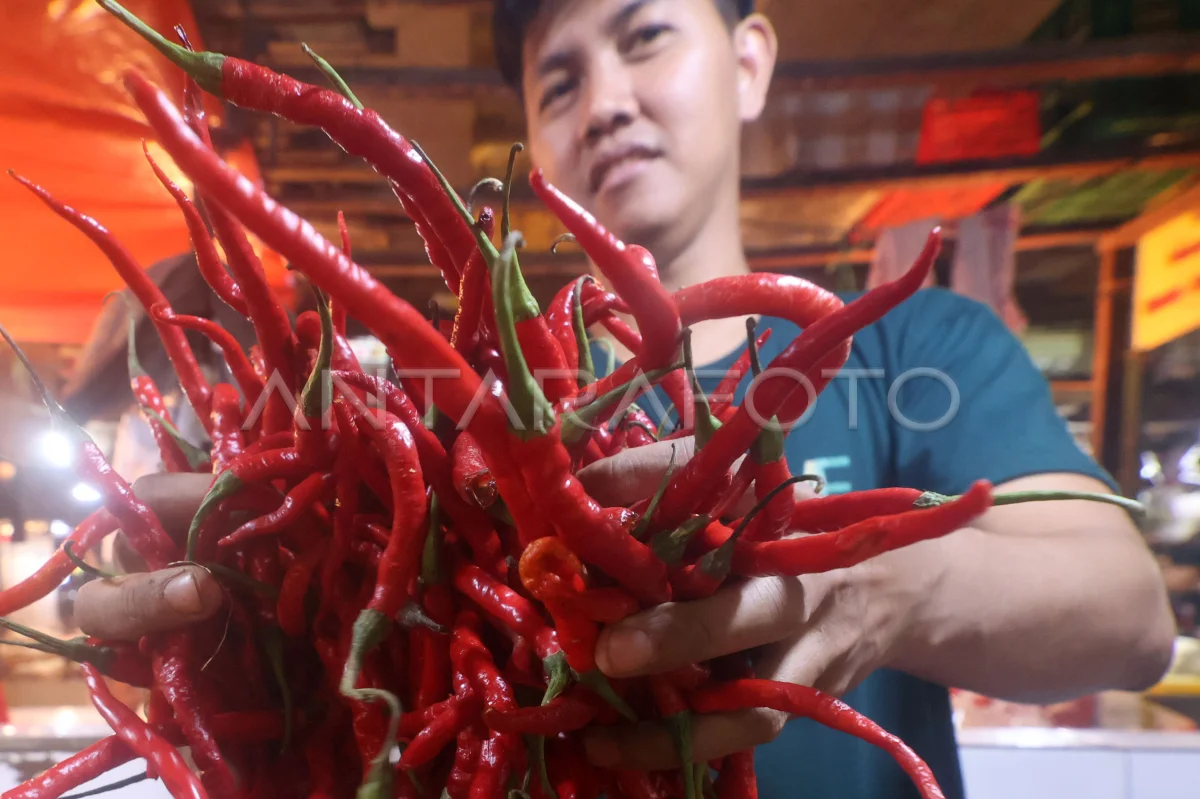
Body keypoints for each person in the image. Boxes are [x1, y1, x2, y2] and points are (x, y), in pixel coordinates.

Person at [74, 1, 1177, 797]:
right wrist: (233, 641)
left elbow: (1131, 617)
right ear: (530, 128)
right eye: (559, 82)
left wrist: (890, 578)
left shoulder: (917, 345)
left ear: (749, 61)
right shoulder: (453, 418)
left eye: (644, 36)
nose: (604, 103)